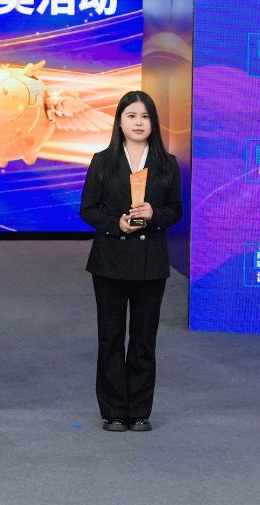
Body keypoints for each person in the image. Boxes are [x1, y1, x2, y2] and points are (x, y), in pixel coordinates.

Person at [78, 91, 183, 432]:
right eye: (132, 116)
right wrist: (116, 224)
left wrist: (154, 214)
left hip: (151, 261)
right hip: (110, 260)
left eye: (145, 116)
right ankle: (112, 411)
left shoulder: (167, 163)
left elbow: (176, 211)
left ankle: (138, 411)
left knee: (143, 339)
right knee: (110, 337)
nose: (139, 123)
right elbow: (88, 210)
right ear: (120, 121)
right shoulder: (102, 161)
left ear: (154, 122)